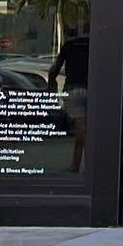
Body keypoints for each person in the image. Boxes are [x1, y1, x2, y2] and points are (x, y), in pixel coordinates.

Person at [47, 23, 90, 174]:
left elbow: (54, 70)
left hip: (73, 89)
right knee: (91, 128)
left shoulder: (68, 46)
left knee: (80, 128)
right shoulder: (93, 44)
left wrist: (51, 86)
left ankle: (75, 165)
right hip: (93, 89)